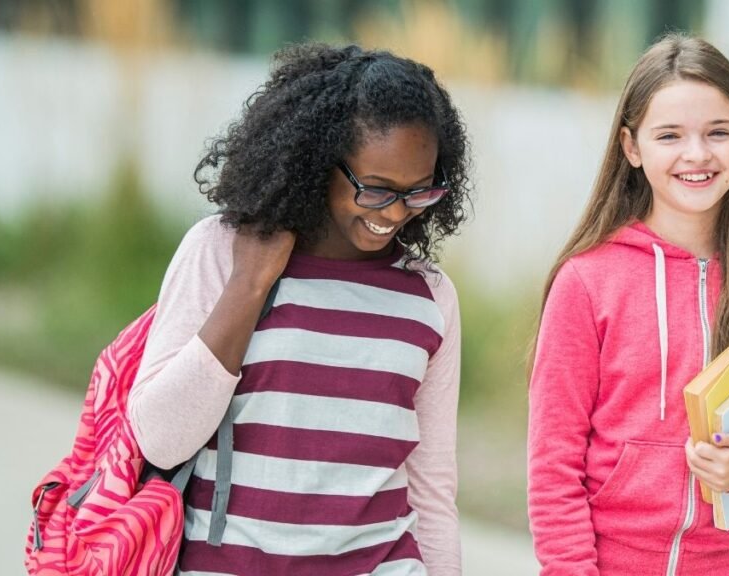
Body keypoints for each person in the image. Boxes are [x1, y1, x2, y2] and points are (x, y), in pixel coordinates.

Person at [127, 43, 471, 576]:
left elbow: (432, 489)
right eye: (376, 190)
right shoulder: (219, 251)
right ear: (318, 160)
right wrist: (250, 282)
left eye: (418, 192)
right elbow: (160, 439)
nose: (398, 213)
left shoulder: (430, 296)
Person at [526, 34, 729, 576]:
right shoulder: (586, 280)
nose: (696, 154)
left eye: (717, 132)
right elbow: (553, 464)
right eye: (669, 135)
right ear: (632, 147)